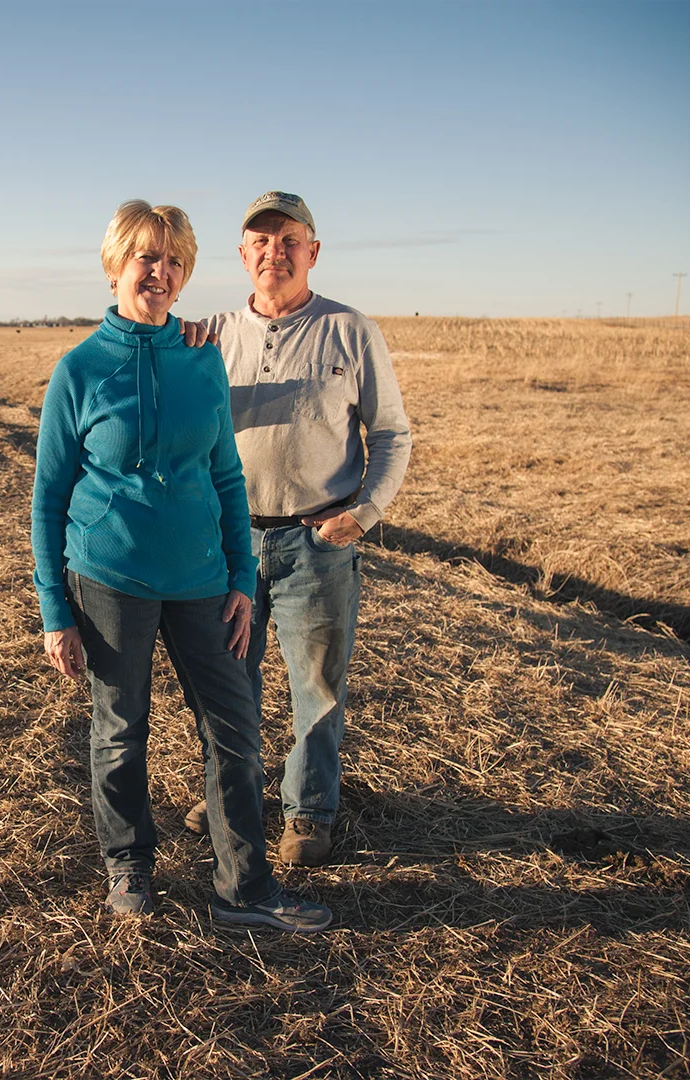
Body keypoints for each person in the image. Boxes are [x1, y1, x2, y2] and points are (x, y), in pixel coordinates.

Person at [32, 200, 333, 932]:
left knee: (232, 729)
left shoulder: (201, 358)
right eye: (145, 257)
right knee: (119, 728)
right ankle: (129, 868)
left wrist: (238, 578)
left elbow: (226, 477)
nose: (159, 273)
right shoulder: (79, 370)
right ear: (115, 266)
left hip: (202, 580)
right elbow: (47, 498)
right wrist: (53, 612)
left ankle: (245, 890)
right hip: (107, 580)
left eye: (172, 261)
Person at [183, 191, 412, 865]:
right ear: (241, 254)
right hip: (226, 546)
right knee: (228, 683)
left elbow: (393, 433)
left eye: (288, 241)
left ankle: (309, 811)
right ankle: (234, 792)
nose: (272, 252)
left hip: (313, 544)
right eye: (260, 241)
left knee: (314, 685)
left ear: (312, 252)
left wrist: (361, 514)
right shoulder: (209, 336)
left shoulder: (350, 330)